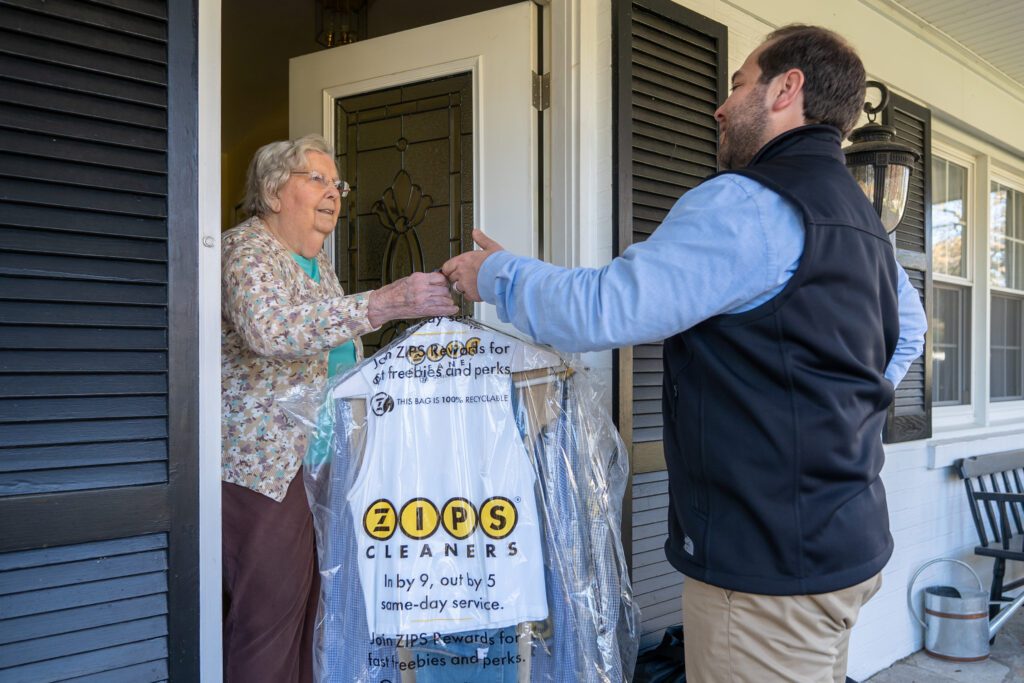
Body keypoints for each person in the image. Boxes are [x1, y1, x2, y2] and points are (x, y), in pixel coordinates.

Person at [443, 25, 927, 683]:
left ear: (788, 89)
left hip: (766, 571)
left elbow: (605, 307)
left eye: (738, 85)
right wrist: (842, 411)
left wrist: (494, 275)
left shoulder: (747, 205)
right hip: (846, 547)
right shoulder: (862, 221)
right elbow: (910, 333)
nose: (720, 107)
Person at [221, 134, 457, 682]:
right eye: (317, 179)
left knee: (312, 614)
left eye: (338, 184)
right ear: (274, 192)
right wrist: (382, 303)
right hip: (264, 467)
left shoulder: (316, 261)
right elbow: (270, 330)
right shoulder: (245, 249)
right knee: (268, 617)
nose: (334, 193)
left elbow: (334, 349)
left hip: (320, 461)